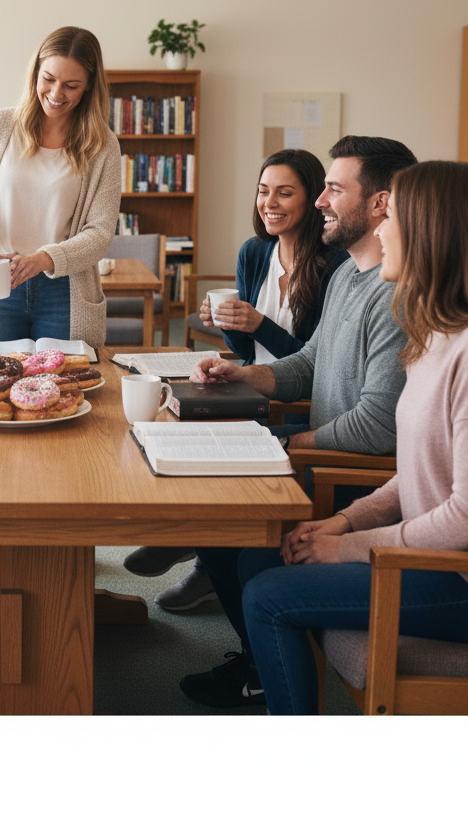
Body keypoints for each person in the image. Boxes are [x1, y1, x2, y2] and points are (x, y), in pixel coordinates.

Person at [240, 160, 468, 714]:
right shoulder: (435, 332)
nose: (382, 230)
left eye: (393, 218)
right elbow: (415, 472)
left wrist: (346, 548)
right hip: (437, 561)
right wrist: (343, 520)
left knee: (268, 596)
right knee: (272, 568)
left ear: (433, 234)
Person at [177, 135, 418, 708]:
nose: (320, 203)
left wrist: (287, 443)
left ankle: (261, 664)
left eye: (333, 189)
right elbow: (307, 366)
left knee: (235, 531)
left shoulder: (396, 297)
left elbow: (377, 427)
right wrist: (240, 377)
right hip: (321, 451)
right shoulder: (348, 277)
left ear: (381, 203)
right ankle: (258, 661)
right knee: (206, 508)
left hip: (352, 470)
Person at [124, 149, 348, 611]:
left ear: (313, 199)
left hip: (293, 400)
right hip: (251, 380)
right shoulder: (255, 252)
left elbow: (313, 364)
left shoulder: (334, 266)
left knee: (205, 437)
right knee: (175, 414)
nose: (271, 202)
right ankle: (195, 540)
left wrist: (259, 322)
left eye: (285, 193)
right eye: (264, 191)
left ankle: (198, 547)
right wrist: (226, 323)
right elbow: (246, 351)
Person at [0, 25, 122, 347]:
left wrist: (42, 259)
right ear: (35, 72)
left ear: (89, 87)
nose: (55, 93)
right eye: (48, 79)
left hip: (64, 291)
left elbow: (100, 233)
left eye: (71, 85)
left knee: (64, 388)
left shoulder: (103, 145)